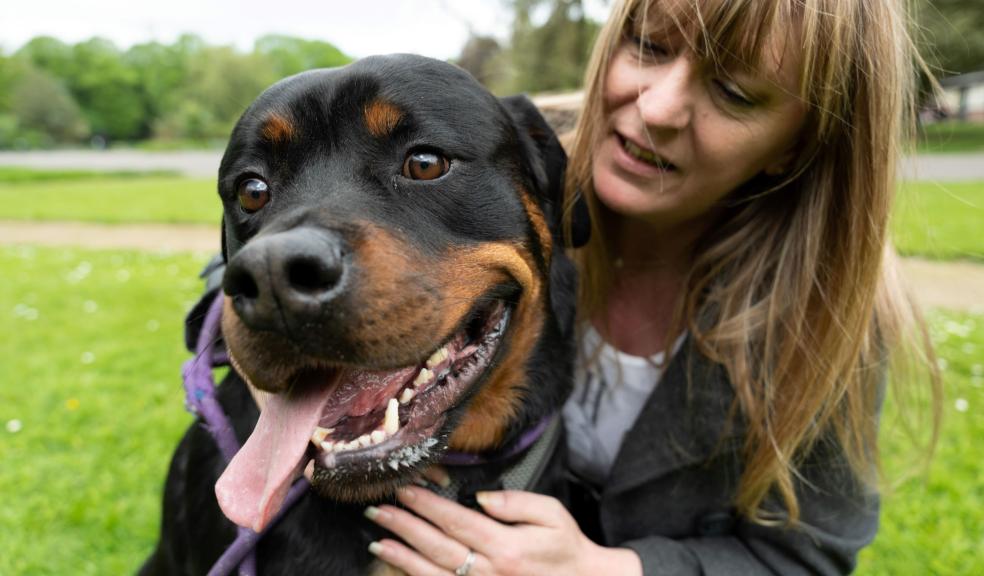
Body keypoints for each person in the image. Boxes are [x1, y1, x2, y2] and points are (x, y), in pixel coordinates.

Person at [362, 0, 941, 574]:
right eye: (649, 46)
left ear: (797, 144)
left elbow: (803, 556)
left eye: (734, 93)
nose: (658, 107)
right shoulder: (498, 163)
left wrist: (609, 571)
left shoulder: (832, 313)